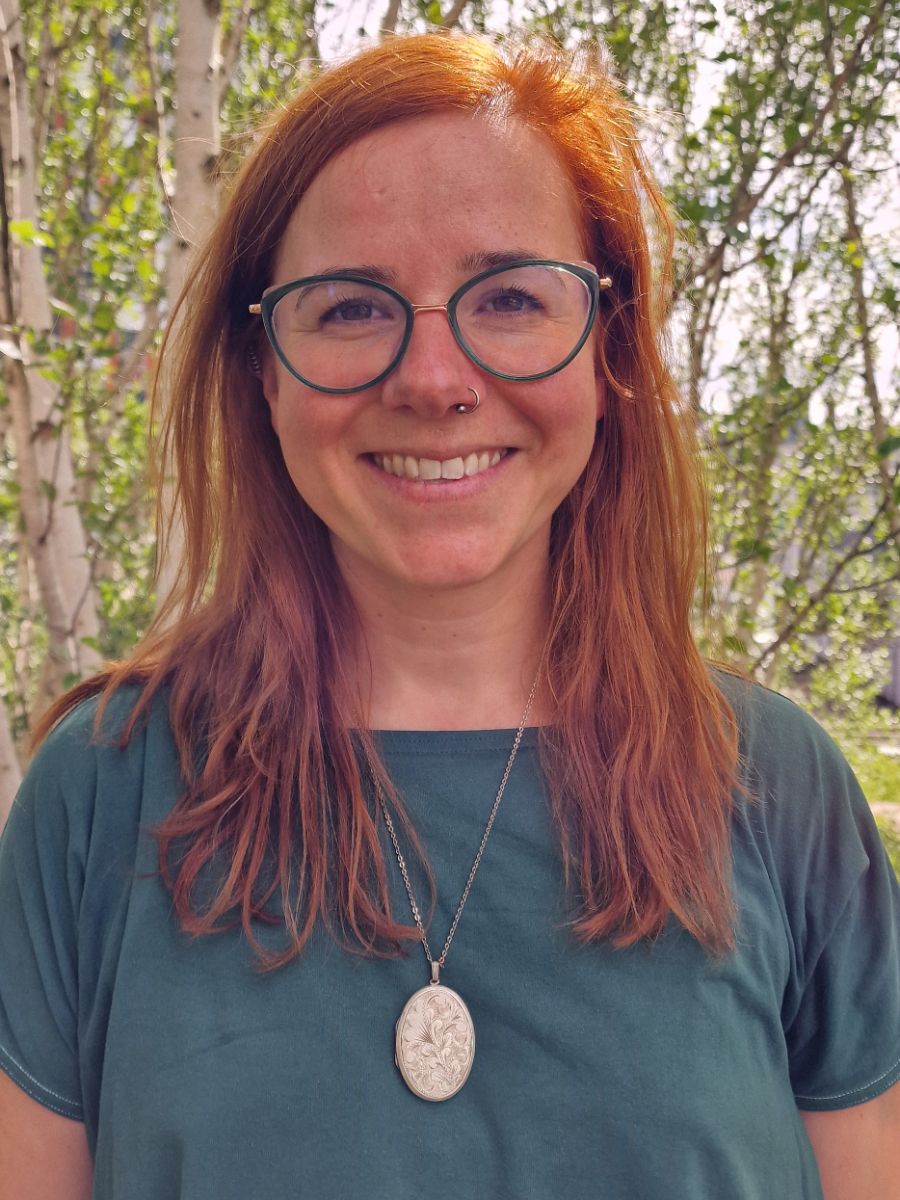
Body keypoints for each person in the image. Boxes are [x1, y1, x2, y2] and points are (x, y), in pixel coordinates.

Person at [1, 31, 898, 1200]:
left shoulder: (778, 789)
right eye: (348, 307)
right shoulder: (99, 796)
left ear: (609, 350)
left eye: (513, 296)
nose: (433, 378)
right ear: (263, 369)